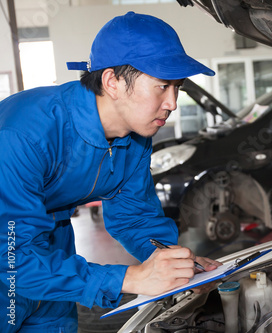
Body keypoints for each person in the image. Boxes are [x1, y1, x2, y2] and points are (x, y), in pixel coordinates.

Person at [0, 11, 221, 332]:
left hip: (52, 251)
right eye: (162, 86)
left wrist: (175, 262)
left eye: (178, 87)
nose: (172, 102)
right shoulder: (23, 134)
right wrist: (132, 278)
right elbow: (11, 259)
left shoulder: (135, 139)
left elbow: (135, 218)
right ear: (112, 81)